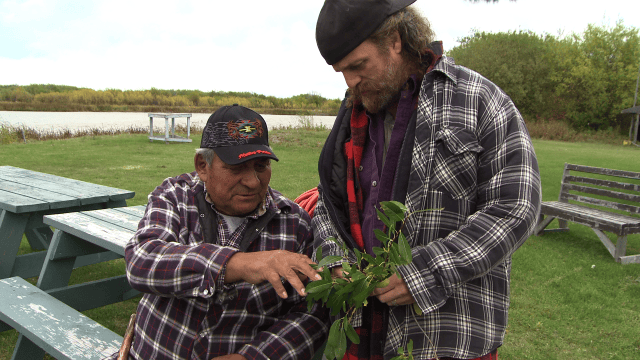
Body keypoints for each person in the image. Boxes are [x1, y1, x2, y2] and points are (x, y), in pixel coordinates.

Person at [311, 1, 542, 359]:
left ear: (394, 41)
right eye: (342, 71)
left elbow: (516, 208)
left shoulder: (481, 100)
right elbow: (328, 200)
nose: (350, 82)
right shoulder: (351, 113)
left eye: (358, 66)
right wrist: (334, 258)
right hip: (362, 333)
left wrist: (425, 273)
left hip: (445, 338)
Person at [114, 104, 328, 360]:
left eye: (261, 166)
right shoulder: (176, 196)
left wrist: (255, 356)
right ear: (203, 166)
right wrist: (238, 264)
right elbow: (142, 261)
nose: (253, 181)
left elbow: (312, 312)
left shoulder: (295, 223)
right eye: (237, 168)